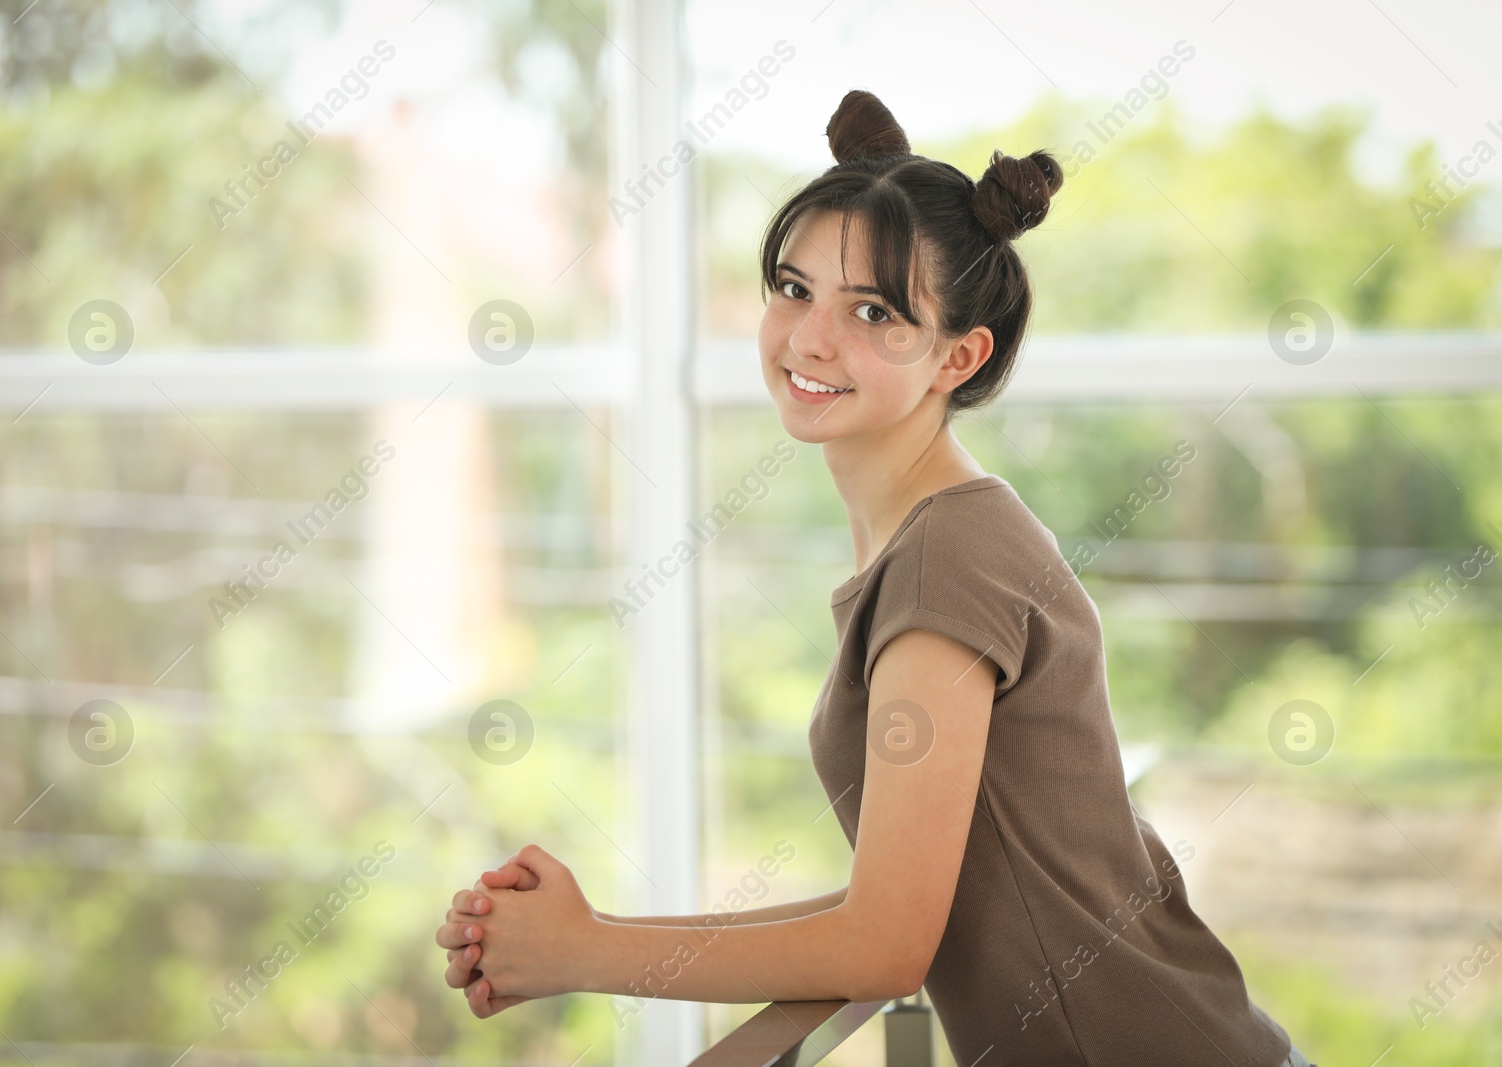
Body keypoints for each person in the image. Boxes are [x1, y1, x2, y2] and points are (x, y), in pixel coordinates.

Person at [437, 89, 1316, 1067]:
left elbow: (890, 945)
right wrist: (587, 935)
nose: (809, 336)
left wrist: (589, 949)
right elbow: (914, 901)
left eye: (873, 310)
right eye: (791, 285)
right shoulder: (936, 533)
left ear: (958, 355)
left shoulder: (950, 558)